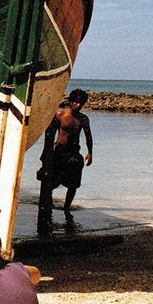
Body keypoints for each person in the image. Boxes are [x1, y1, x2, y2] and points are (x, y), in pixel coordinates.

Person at [37, 89, 93, 233]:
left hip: (74, 155)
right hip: (59, 154)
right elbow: (49, 136)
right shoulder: (60, 115)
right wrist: (45, 155)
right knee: (51, 183)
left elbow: (88, 136)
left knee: (73, 185)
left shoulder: (83, 119)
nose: (79, 106)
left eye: (82, 103)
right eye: (77, 103)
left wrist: (90, 153)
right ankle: (47, 208)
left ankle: (66, 208)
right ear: (71, 102)